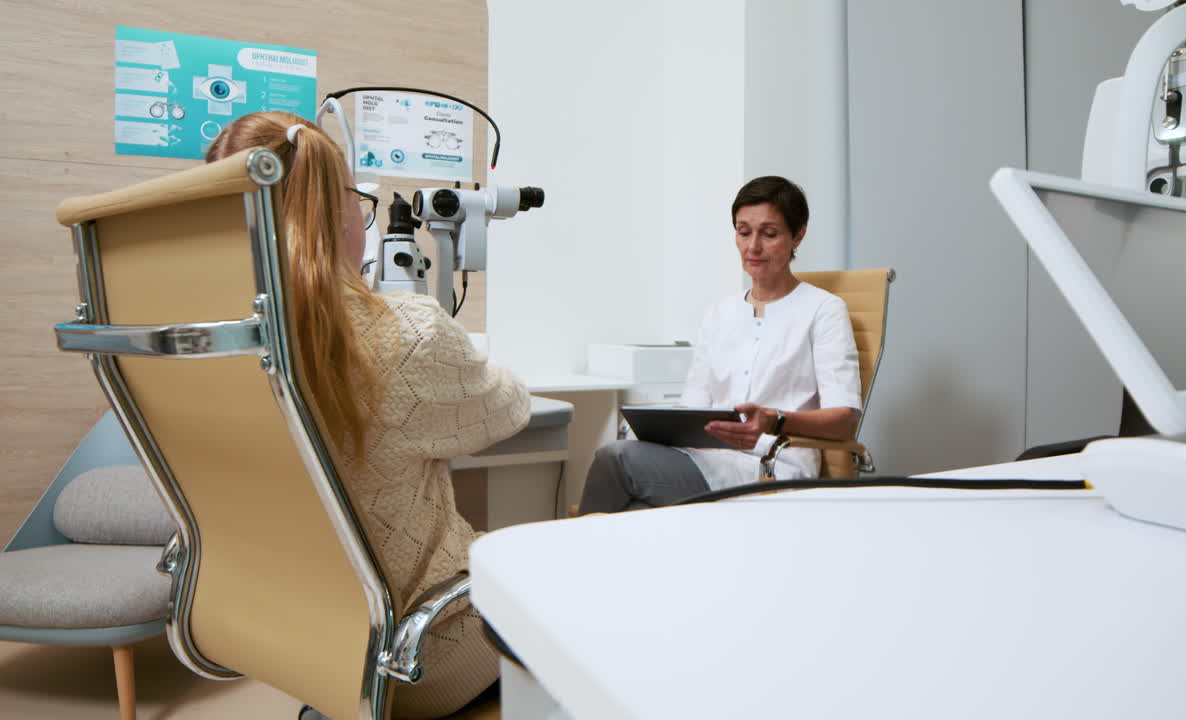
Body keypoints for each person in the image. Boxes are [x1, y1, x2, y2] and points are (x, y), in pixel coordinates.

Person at [206, 111, 530, 718]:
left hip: (298, 645)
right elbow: (509, 409)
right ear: (335, 213)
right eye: (358, 196)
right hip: (418, 657)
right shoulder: (406, 336)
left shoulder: (209, 347)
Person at [577, 176, 861, 513]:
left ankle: (571, 557)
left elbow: (845, 419)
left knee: (616, 458)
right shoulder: (720, 313)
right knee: (636, 508)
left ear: (798, 235)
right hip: (706, 460)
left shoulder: (823, 310)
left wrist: (774, 420)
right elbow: (694, 403)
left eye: (769, 234)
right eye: (743, 232)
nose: (753, 247)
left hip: (773, 470)